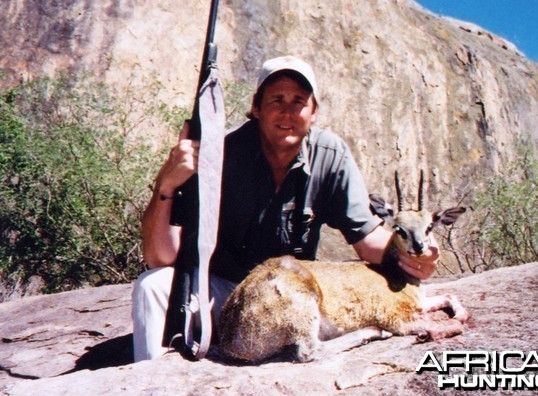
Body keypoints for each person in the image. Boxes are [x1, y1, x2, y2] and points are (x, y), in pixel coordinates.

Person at [132, 56, 440, 362]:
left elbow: (367, 238)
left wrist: (413, 254)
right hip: (221, 292)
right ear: (256, 108)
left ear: (314, 113)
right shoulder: (220, 154)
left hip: (288, 296)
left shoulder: (330, 155)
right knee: (152, 286)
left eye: (299, 102)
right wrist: (166, 186)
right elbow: (161, 257)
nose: (287, 112)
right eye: (276, 100)